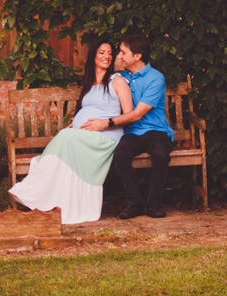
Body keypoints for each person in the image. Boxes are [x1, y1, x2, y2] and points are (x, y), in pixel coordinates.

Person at [8, 39, 133, 224]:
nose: (107, 57)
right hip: (86, 137)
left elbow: (129, 116)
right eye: (102, 53)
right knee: (64, 135)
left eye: (109, 53)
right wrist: (76, 125)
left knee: (65, 136)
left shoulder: (118, 81)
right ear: (93, 56)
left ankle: (33, 187)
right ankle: (44, 196)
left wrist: (104, 124)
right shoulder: (89, 83)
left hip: (107, 136)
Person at [80, 34, 174, 219]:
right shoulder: (120, 77)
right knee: (120, 154)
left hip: (156, 130)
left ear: (137, 56)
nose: (119, 56)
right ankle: (135, 204)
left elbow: (138, 113)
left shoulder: (156, 78)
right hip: (131, 132)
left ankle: (154, 205)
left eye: (123, 52)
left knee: (161, 155)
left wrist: (106, 123)